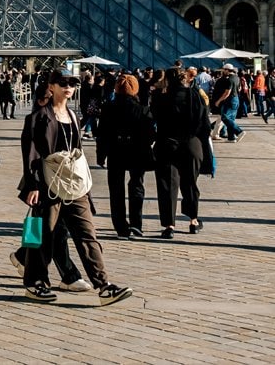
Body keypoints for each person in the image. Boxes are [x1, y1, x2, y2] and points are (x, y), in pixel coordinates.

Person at [20, 67, 132, 305]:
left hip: (73, 185)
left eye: (72, 82)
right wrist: (33, 184)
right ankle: (35, 283)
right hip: (48, 184)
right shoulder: (38, 118)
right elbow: (30, 154)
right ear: (51, 86)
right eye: (63, 83)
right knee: (43, 235)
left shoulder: (73, 116)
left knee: (87, 234)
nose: (68, 87)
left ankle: (104, 286)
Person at [95, 73, 155, 239]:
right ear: (135, 89)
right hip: (137, 152)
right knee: (136, 186)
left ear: (117, 89)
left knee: (116, 189)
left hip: (115, 151)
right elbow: (150, 134)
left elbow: (102, 134)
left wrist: (101, 155)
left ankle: (121, 226)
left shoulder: (108, 107)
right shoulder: (143, 109)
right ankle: (136, 225)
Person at [153, 65, 208, 238]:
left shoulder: (159, 98)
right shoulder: (195, 96)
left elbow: (153, 120)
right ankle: (193, 220)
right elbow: (204, 124)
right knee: (190, 182)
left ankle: (169, 225)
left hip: (167, 143)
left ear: (167, 79)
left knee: (167, 185)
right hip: (191, 143)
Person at [211, 63, 244, 142]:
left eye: (224, 70)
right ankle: (231, 137)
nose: (223, 71)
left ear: (227, 70)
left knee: (224, 117)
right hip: (236, 99)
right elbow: (239, 89)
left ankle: (239, 131)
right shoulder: (237, 78)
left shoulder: (229, 79)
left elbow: (227, 93)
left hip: (230, 100)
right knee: (231, 119)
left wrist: (218, 101)